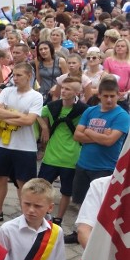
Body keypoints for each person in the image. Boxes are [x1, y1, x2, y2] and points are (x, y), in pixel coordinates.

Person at [67, 76, 130, 244]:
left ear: (118, 95)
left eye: (113, 96)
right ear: (99, 95)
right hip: (84, 163)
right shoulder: (90, 111)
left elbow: (109, 142)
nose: (109, 99)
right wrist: (100, 135)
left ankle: (99, 236)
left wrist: (88, 131)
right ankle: (81, 231)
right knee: (81, 200)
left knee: (102, 204)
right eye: (106, 96)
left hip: (105, 167)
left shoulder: (122, 116)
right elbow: (76, 135)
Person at [0, 63, 43, 222]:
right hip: (3, 144)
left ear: (28, 76)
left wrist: (6, 115)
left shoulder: (36, 96)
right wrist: (18, 115)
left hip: (25, 147)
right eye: (14, 75)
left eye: (19, 75)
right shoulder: (7, 91)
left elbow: (29, 120)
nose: (15, 78)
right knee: (0, 178)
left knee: (24, 182)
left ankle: (26, 214)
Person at [37, 77, 85, 227]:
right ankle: (42, 214)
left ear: (77, 92)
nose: (64, 91)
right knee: (41, 188)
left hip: (71, 157)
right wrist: (44, 127)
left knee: (66, 191)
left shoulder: (83, 110)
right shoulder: (52, 106)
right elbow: (36, 113)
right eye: (63, 88)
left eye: (68, 89)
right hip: (51, 155)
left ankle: (59, 218)